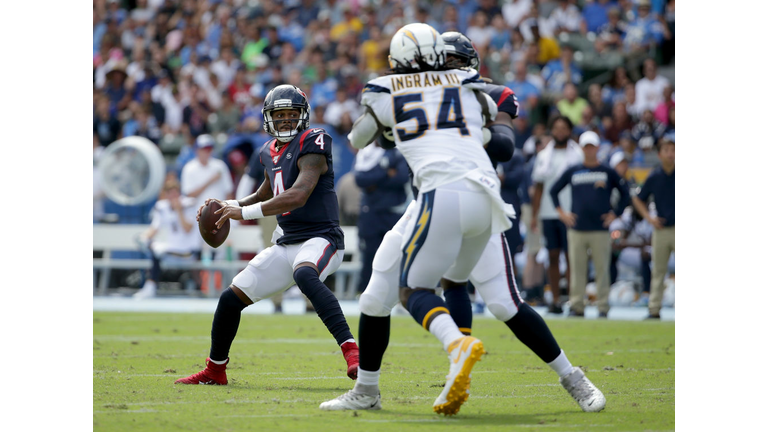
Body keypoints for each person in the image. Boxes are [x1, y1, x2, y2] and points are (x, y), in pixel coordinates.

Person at [320, 29, 604, 415]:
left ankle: (571, 377)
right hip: (427, 201)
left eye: (454, 63)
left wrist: (467, 125)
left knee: (503, 303)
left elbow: (503, 146)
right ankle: (368, 389)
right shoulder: (449, 89)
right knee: (374, 296)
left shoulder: (481, 92)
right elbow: (385, 139)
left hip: (464, 192)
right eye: (445, 61)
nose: (446, 69)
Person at [174, 84, 360, 385]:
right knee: (230, 298)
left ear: (303, 116)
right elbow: (266, 192)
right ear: (268, 118)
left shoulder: (314, 141)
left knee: (305, 275)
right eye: (280, 114)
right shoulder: (266, 151)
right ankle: (215, 369)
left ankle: (352, 351)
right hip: (286, 242)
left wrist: (242, 213)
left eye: (292, 114)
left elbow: (298, 194)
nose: (286, 120)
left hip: (321, 238)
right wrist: (228, 206)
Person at [549, 131, 630, 317]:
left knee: (602, 269)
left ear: (597, 148)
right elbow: (553, 191)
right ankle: (577, 305)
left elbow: (625, 193)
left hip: (600, 229)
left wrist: (615, 214)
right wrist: (562, 214)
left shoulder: (607, 171)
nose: (589, 150)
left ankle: (603, 306)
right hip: (577, 229)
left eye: (592, 146)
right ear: (582, 149)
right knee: (577, 270)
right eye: (586, 147)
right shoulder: (573, 170)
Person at [531, 116, 584, 314]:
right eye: (556, 128)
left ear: (570, 131)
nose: (560, 132)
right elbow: (538, 186)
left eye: (564, 128)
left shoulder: (578, 154)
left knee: (572, 256)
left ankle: (572, 299)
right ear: (552, 130)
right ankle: (555, 299)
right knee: (552, 255)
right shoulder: (544, 155)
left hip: (571, 212)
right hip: (548, 211)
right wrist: (534, 215)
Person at [353, 141, 410, 293]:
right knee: (369, 254)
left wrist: (374, 181)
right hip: (370, 213)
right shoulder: (366, 152)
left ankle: (396, 292)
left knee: (396, 254)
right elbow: (360, 179)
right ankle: (365, 292)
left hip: (393, 211)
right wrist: (386, 173)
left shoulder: (398, 152)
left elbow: (402, 177)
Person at [133, 179, 201, 299]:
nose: (173, 196)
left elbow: (188, 229)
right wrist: (143, 238)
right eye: (170, 193)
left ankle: (150, 286)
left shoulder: (189, 205)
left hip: (188, 251)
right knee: (154, 249)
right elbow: (155, 228)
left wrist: (179, 210)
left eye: (176, 193)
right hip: (171, 250)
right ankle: (150, 285)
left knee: (157, 252)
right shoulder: (162, 206)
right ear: (167, 194)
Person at [632, 134, 674, 319]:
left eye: (673, 150)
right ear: (660, 154)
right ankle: (654, 308)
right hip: (661, 228)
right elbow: (638, 199)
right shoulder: (655, 176)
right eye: (666, 150)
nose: (671, 154)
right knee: (658, 271)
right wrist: (649, 218)